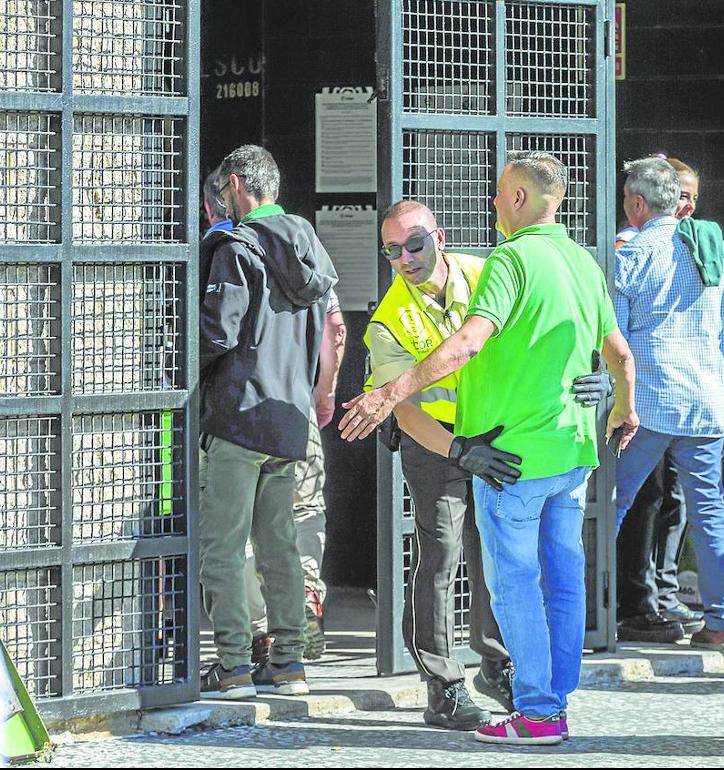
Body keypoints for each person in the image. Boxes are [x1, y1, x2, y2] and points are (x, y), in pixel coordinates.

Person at [340, 151, 639, 747]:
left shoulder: (494, 266)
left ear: (439, 240)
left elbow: (485, 344)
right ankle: (448, 684)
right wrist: (618, 394)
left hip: (509, 448)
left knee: (510, 575)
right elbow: (611, 347)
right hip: (448, 444)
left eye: (414, 246)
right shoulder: (388, 320)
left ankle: (528, 694)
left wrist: (603, 381)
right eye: (392, 251)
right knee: (445, 556)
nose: (404, 260)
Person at [198, 145, 338, 699]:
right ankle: (288, 663)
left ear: (235, 184)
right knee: (280, 544)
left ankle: (232, 665)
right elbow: (328, 331)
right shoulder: (308, 245)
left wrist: (171, 367)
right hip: (288, 418)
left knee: (224, 546)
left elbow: (217, 332)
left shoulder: (237, 247)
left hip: (237, 419)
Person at [612, 157, 724, 653]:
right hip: (704, 403)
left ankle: (584, 613)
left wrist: (619, 401)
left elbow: (612, 340)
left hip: (646, 406)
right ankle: (721, 622)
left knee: (609, 505)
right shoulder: (714, 252)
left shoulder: (628, 256)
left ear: (637, 203)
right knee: (710, 511)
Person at [615, 154, 706, 643]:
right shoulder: (629, 247)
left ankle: (662, 595)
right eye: (679, 196)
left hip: (685, 399)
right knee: (640, 499)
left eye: (691, 196)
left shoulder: (704, 247)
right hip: (645, 400)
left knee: (675, 501)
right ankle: (634, 600)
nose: (685, 206)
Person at [243, 288, 345, 663]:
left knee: (240, 519)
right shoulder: (305, 256)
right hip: (294, 402)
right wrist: (325, 391)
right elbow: (335, 326)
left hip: (235, 406)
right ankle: (305, 594)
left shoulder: (224, 248)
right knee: (302, 508)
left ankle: (261, 629)